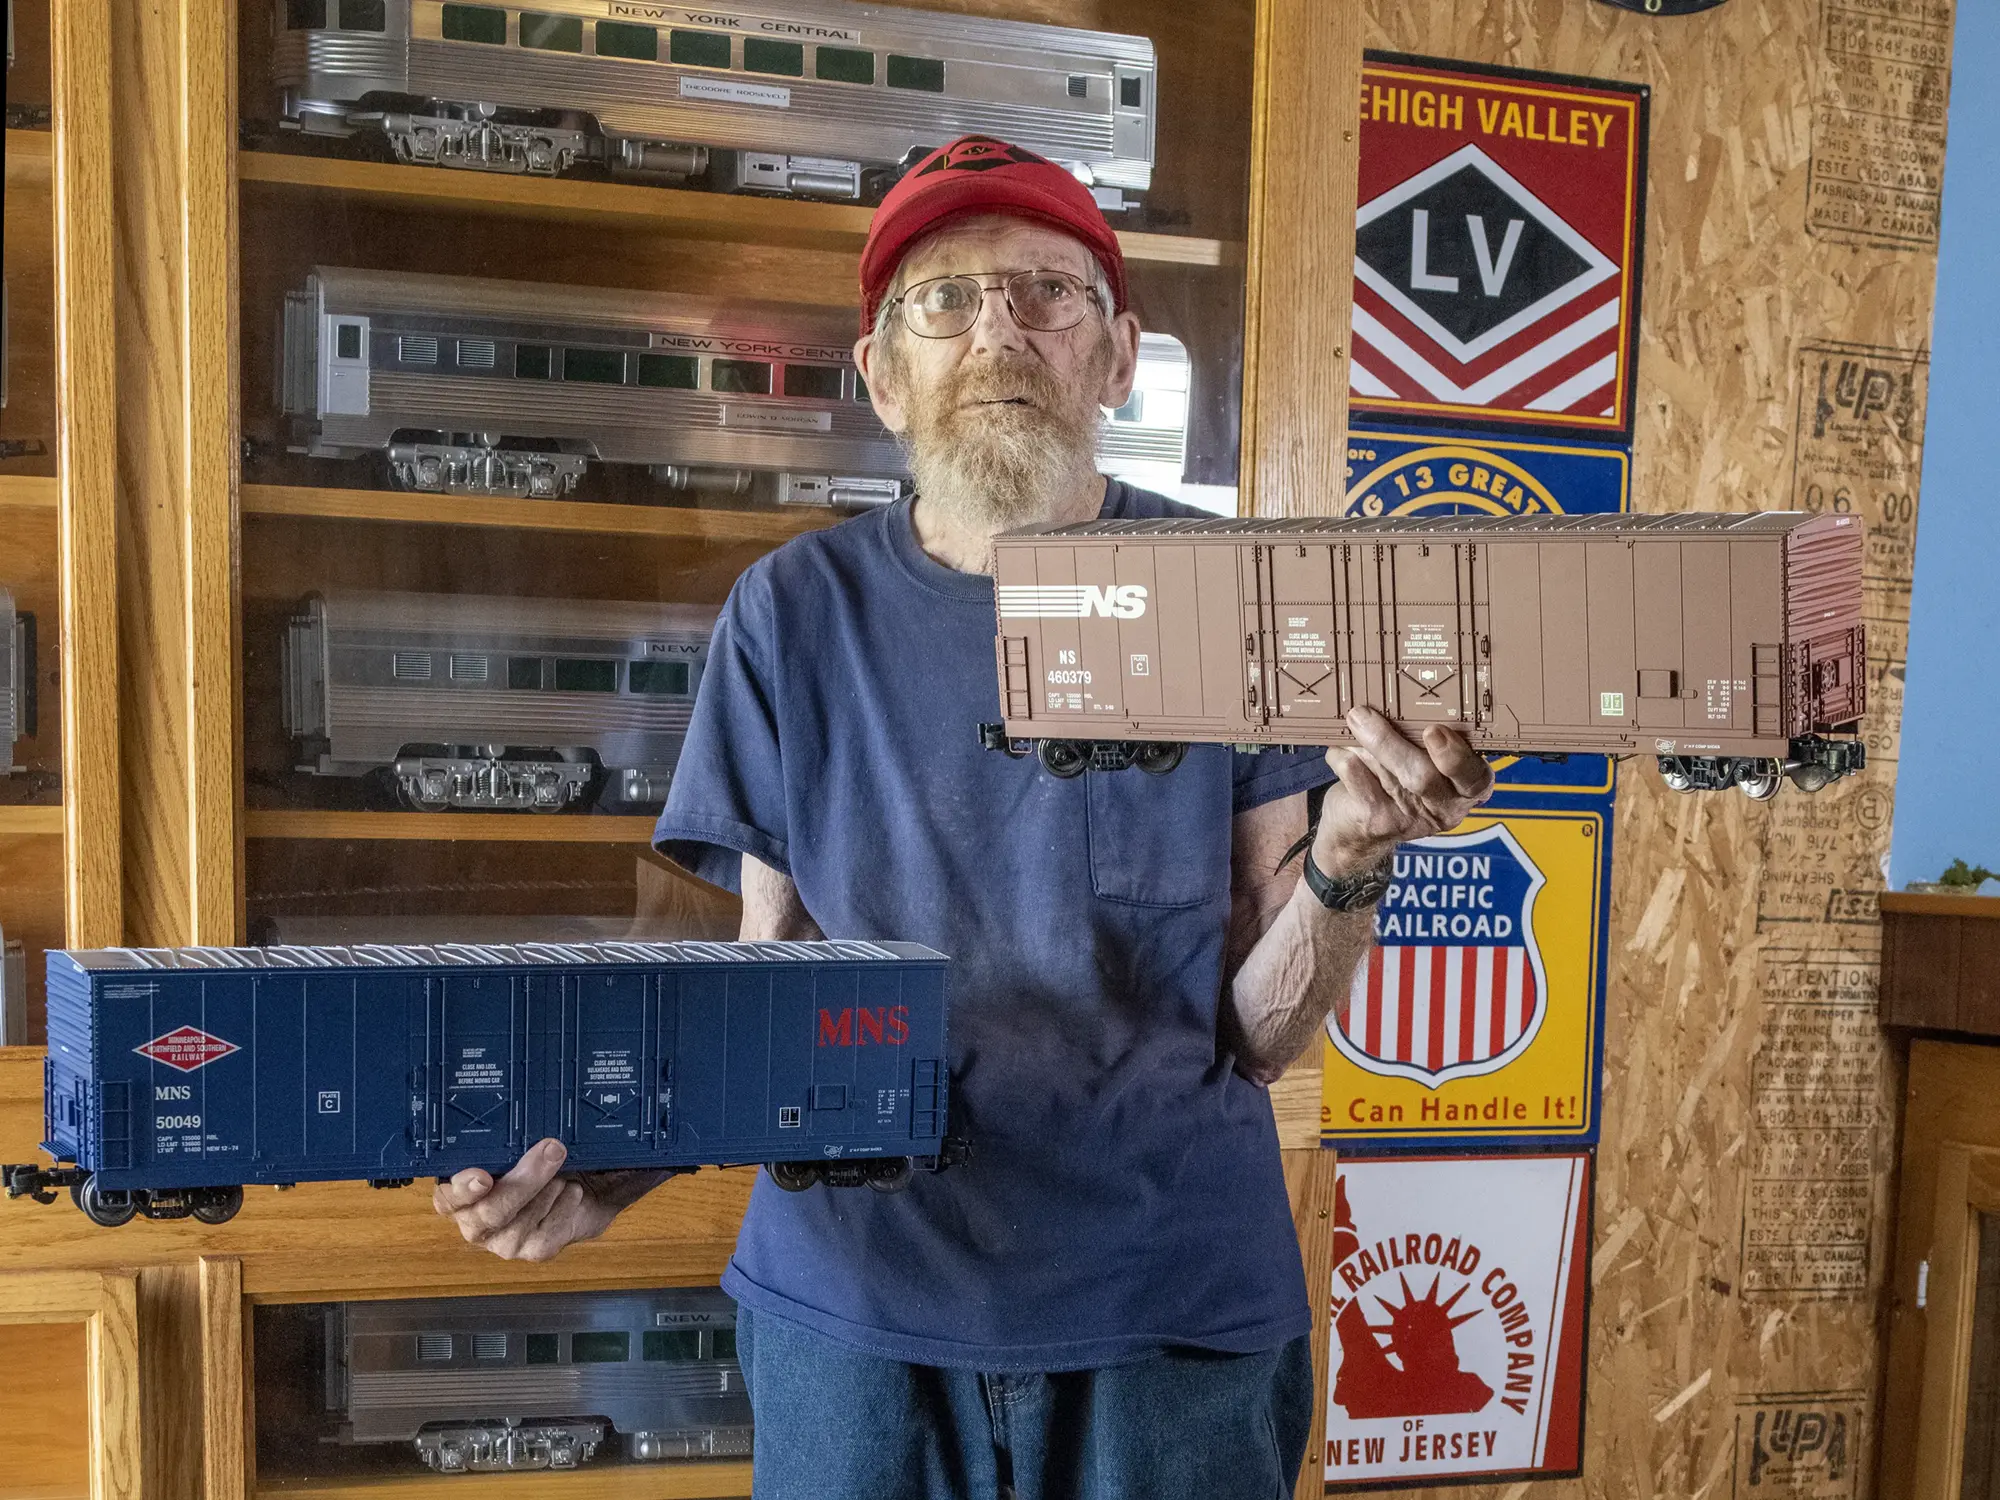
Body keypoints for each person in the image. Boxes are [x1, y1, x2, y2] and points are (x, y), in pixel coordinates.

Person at [433, 134, 1494, 1499]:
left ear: (1119, 359)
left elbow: (1258, 1037)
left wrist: (1351, 859)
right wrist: (604, 1176)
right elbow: (768, 988)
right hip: (858, 1317)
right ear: (884, 378)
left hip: (1168, 1316)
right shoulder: (792, 615)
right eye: (945, 299)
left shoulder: (1230, 594)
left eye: (1049, 291)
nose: (999, 329)